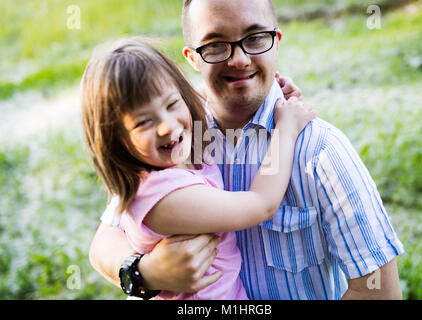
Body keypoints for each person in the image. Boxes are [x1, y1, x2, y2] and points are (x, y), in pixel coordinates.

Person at [90, 0, 405, 300]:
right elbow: (104, 242)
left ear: (276, 41)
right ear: (192, 58)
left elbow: (378, 291)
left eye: (255, 38)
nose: (239, 60)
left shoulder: (320, 152)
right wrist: (145, 273)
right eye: (215, 44)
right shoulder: (173, 150)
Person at [81, 37, 316, 299]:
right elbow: (261, 204)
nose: (167, 125)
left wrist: (270, 88)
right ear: (116, 142)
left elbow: (199, 93)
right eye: (144, 122)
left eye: (171, 104)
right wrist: (287, 129)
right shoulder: (164, 196)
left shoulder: (174, 154)